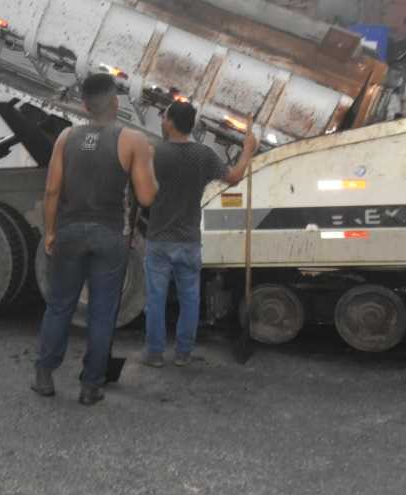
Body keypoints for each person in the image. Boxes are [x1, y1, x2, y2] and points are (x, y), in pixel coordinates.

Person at [32, 73, 157, 406]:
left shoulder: (65, 137)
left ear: (84, 106)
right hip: (110, 235)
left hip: (70, 232)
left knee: (60, 306)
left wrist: (51, 231)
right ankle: (91, 386)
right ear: (116, 103)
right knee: (102, 313)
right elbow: (146, 197)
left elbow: (52, 190)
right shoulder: (132, 140)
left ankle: (44, 374)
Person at [143, 101, 258, 368]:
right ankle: (184, 353)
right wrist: (247, 150)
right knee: (190, 299)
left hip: (159, 239)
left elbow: (143, 193)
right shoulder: (203, 155)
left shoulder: (155, 154)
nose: (162, 121)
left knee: (156, 299)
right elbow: (235, 177)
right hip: (189, 241)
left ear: (170, 122)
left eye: (164, 117)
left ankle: (155, 354)